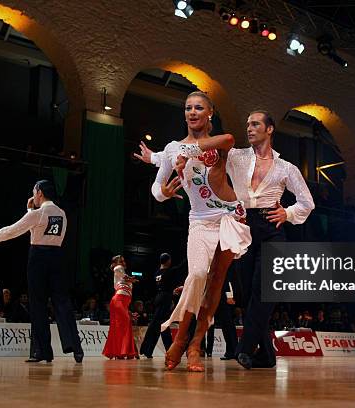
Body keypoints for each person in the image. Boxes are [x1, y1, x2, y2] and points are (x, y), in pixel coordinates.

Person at [140, 91, 252, 372]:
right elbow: (156, 188)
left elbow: (228, 140)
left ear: (209, 112)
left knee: (215, 285)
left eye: (199, 108)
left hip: (229, 217)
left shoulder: (216, 142)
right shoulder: (171, 148)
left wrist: (178, 154)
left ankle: (194, 346)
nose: (192, 112)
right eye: (188, 108)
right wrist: (163, 193)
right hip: (200, 220)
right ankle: (180, 336)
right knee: (198, 275)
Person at [0, 180, 84, 363]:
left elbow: (13, 230)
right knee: (62, 302)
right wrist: (31, 212)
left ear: (39, 193)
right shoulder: (62, 213)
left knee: (38, 304)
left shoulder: (39, 213)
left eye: (34, 192)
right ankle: (75, 347)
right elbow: (42, 228)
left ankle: (43, 351)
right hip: (58, 257)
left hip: (38, 257)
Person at [139, 253, 186, 358]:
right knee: (160, 325)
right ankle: (156, 349)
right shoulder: (169, 272)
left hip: (159, 297)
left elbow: (165, 286)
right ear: (168, 261)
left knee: (160, 325)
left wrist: (170, 292)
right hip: (165, 299)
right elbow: (181, 267)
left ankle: (150, 350)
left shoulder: (157, 273)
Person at [103, 255, 139, 359]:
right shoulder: (118, 269)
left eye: (124, 260)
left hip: (122, 302)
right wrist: (130, 279)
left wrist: (129, 312)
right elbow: (124, 278)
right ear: (115, 263)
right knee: (124, 324)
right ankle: (122, 352)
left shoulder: (122, 273)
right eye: (120, 261)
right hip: (118, 300)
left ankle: (121, 352)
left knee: (122, 325)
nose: (123, 262)